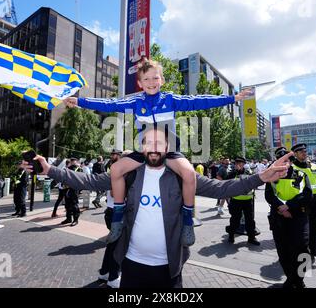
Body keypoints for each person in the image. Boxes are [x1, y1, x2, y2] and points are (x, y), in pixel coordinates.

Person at [25, 127, 291, 288]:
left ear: (167, 148)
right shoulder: (129, 175)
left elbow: (221, 189)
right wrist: (50, 169)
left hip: (170, 267)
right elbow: (89, 181)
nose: (153, 148)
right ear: (141, 148)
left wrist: (258, 178)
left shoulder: (181, 176)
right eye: (147, 143)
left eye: (158, 144)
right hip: (131, 265)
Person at [64, 58, 251, 247]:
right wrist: (80, 101)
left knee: (188, 173)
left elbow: (199, 101)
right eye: (146, 79)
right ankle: (118, 217)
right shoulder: (135, 101)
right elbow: (110, 104)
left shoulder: (171, 100)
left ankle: (187, 219)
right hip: (144, 150)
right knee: (117, 170)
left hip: (168, 151)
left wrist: (232, 98)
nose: (151, 82)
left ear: (161, 80)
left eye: (155, 78)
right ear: (140, 83)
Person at [265, 146, 312, 288]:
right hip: (279, 216)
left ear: (291, 161)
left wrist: (289, 206)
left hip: (298, 216)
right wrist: (281, 207)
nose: (283, 164)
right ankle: (291, 278)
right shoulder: (272, 176)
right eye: (281, 161)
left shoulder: (301, 175)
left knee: (302, 248)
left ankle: (299, 279)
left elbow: (307, 194)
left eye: (286, 161)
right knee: (283, 250)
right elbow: (269, 195)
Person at [291, 143, 316, 260]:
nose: (304, 153)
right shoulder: (293, 168)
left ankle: (313, 247)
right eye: (301, 152)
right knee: (303, 227)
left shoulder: (314, 166)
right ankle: (303, 250)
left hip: (315, 199)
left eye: (305, 151)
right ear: (295, 154)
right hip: (301, 201)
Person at [99, 149, 125, 288]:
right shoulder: (118, 172)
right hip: (116, 213)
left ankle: (105, 272)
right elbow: (115, 194)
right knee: (117, 246)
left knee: (112, 245)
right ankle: (113, 277)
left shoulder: (113, 170)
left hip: (112, 211)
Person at [226, 157, 259, 245]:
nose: (238, 165)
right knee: (235, 220)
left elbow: (254, 183)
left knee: (250, 220)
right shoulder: (232, 174)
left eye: (240, 164)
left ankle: (251, 237)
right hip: (236, 201)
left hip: (248, 201)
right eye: (236, 164)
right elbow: (226, 185)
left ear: (244, 164)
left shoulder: (249, 173)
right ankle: (231, 236)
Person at [61, 159, 81, 226]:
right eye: (71, 161)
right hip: (66, 188)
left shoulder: (78, 169)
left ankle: (76, 220)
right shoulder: (67, 169)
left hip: (74, 189)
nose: (72, 162)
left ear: (76, 161)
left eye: (74, 161)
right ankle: (68, 218)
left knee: (74, 205)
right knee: (67, 205)